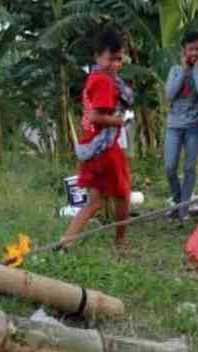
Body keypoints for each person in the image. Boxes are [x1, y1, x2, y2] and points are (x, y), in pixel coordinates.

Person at [62, 26, 133, 248]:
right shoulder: (103, 81)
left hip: (90, 148)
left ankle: (66, 241)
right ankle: (121, 241)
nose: (116, 65)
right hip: (106, 149)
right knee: (123, 195)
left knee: (95, 202)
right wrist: (122, 121)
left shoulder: (93, 78)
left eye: (119, 60)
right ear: (97, 56)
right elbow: (96, 116)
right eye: (111, 59)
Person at [164, 30, 198, 221]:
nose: (194, 53)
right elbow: (169, 94)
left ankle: (183, 211)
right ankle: (179, 202)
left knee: (190, 168)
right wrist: (184, 71)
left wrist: (197, 70)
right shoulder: (175, 70)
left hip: (194, 126)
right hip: (174, 125)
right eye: (191, 49)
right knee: (169, 167)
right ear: (184, 51)